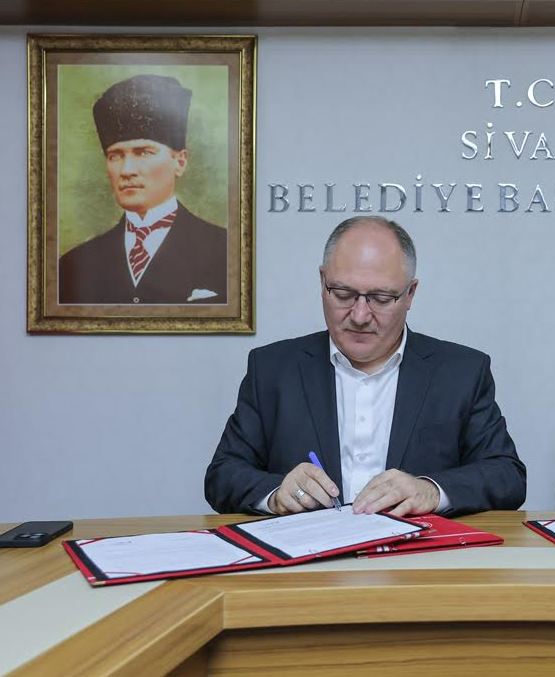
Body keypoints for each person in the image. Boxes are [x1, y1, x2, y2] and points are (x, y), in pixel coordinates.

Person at [205, 216, 526, 517]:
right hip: (309, 554)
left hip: (419, 553)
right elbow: (223, 474)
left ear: (410, 293)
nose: (359, 316)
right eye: (343, 294)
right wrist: (276, 494)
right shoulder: (272, 369)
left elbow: (507, 475)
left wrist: (430, 490)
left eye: (381, 298)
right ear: (322, 282)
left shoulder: (461, 372)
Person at [58, 74, 227, 305]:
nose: (127, 170)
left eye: (144, 153)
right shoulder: (73, 265)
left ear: (180, 162)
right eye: (115, 156)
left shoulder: (226, 251)